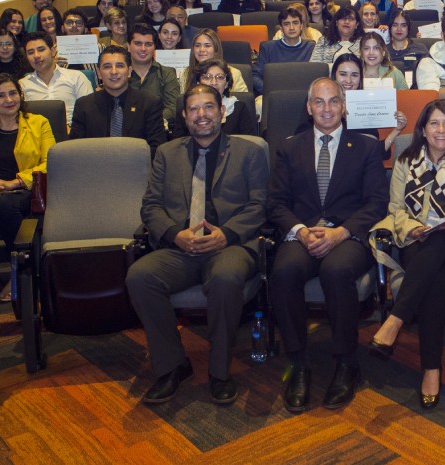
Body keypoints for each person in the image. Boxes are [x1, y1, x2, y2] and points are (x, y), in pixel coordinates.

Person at [126, 83, 267, 405]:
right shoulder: (166, 153)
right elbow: (150, 207)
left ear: (222, 111)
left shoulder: (249, 152)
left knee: (224, 278)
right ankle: (173, 366)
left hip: (230, 245)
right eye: (194, 109)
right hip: (181, 248)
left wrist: (226, 234)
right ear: (184, 116)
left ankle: (219, 371)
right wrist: (176, 234)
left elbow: (260, 205)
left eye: (208, 107)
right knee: (141, 276)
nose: (201, 115)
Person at [267, 77, 387, 412]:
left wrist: (341, 233)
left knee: (336, 272)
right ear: (308, 108)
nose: (327, 109)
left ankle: (347, 363)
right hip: (303, 233)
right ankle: (299, 363)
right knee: (284, 270)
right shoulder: (290, 147)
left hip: (348, 236)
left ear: (344, 106)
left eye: (334, 101)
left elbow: (377, 203)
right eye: (319, 102)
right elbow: (275, 203)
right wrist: (302, 231)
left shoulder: (365, 147)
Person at [368, 100, 445, 408]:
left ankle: (395, 320)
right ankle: (432, 369)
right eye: (434, 123)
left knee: (439, 241)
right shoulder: (404, 161)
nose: (441, 130)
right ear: (422, 129)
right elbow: (395, 209)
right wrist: (411, 229)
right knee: (433, 272)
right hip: (417, 240)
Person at [0, 74, 54, 306]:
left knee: (5, 205)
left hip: (26, 188)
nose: (9, 99)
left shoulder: (39, 123)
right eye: (1, 95)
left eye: (13, 93)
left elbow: (49, 162)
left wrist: (15, 182)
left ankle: (19, 270)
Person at [69, 45, 166, 156]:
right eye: (107, 66)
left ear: (129, 71)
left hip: (137, 169)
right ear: (99, 73)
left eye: (120, 66)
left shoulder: (149, 103)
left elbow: (157, 149)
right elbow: (75, 149)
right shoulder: (84, 105)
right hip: (95, 169)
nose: (114, 71)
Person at [19, 32, 93, 126]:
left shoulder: (76, 77)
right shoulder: (22, 85)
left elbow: (89, 112)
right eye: (30, 52)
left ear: (53, 51)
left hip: (73, 134)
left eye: (41, 50)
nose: (36, 56)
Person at [172, 59, 257, 138]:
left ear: (227, 83)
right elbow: (177, 146)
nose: (214, 83)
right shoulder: (188, 109)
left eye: (219, 77)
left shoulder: (239, 108)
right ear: (198, 82)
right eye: (207, 77)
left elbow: (249, 143)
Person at [252, 7, 315, 94]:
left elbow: (318, 76)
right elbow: (255, 76)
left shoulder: (311, 47)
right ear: (281, 29)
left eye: (295, 23)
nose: (291, 27)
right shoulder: (268, 48)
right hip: (274, 94)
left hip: (305, 94)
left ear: (301, 26)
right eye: (286, 24)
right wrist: (269, 91)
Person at [127, 24, 180, 124]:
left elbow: (172, 108)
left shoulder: (166, 73)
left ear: (154, 47)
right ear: (128, 46)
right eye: (138, 43)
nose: (143, 49)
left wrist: (148, 121)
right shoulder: (120, 74)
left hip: (157, 129)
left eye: (148, 44)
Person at [180, 28, 248, 94]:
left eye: (207, 46)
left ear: (216, 50)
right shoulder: (185, 73)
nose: (202, 50)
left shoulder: (234, 73)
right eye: (197, 45)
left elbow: (243, 101)